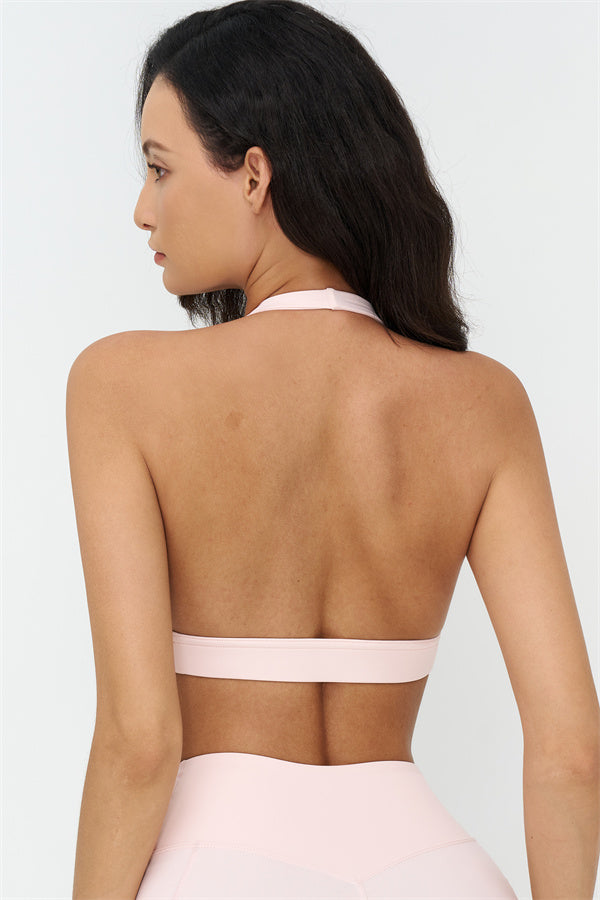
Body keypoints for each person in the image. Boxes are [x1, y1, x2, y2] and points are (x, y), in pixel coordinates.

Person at [67, 1, 600, 898]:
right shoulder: (485, 404)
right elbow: (570, 748)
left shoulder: (121, 384)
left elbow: (140, 743)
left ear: (254, 175)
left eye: (159, 169)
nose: (142, 210)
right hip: (435, 870)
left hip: (217, 867)